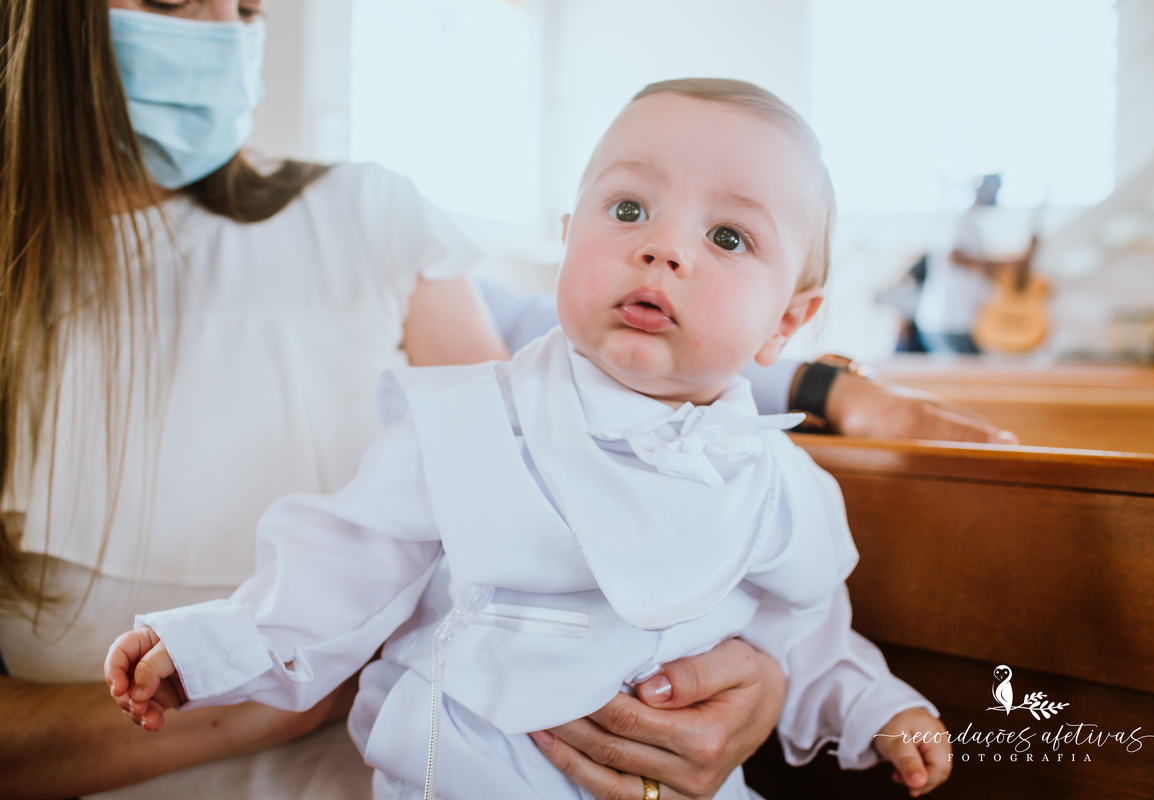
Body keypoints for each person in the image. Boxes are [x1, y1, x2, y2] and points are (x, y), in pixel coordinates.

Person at [0, 3, 1005, 799]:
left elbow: (807, 626)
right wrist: (211, 645)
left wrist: (861, 702)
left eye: (728, 236)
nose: (663, 247)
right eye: (627, 210)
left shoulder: (777, 480)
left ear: (796, 315)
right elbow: (339, 558)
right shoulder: (468, 419)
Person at [914, 174, 1028, 354]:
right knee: (961, 377)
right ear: (985, 188)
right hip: (950, 319)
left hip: (962, 319)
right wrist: (1000, 265)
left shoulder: (971, 222)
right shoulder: (961, 220)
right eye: (996, 189)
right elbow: (955, 257)